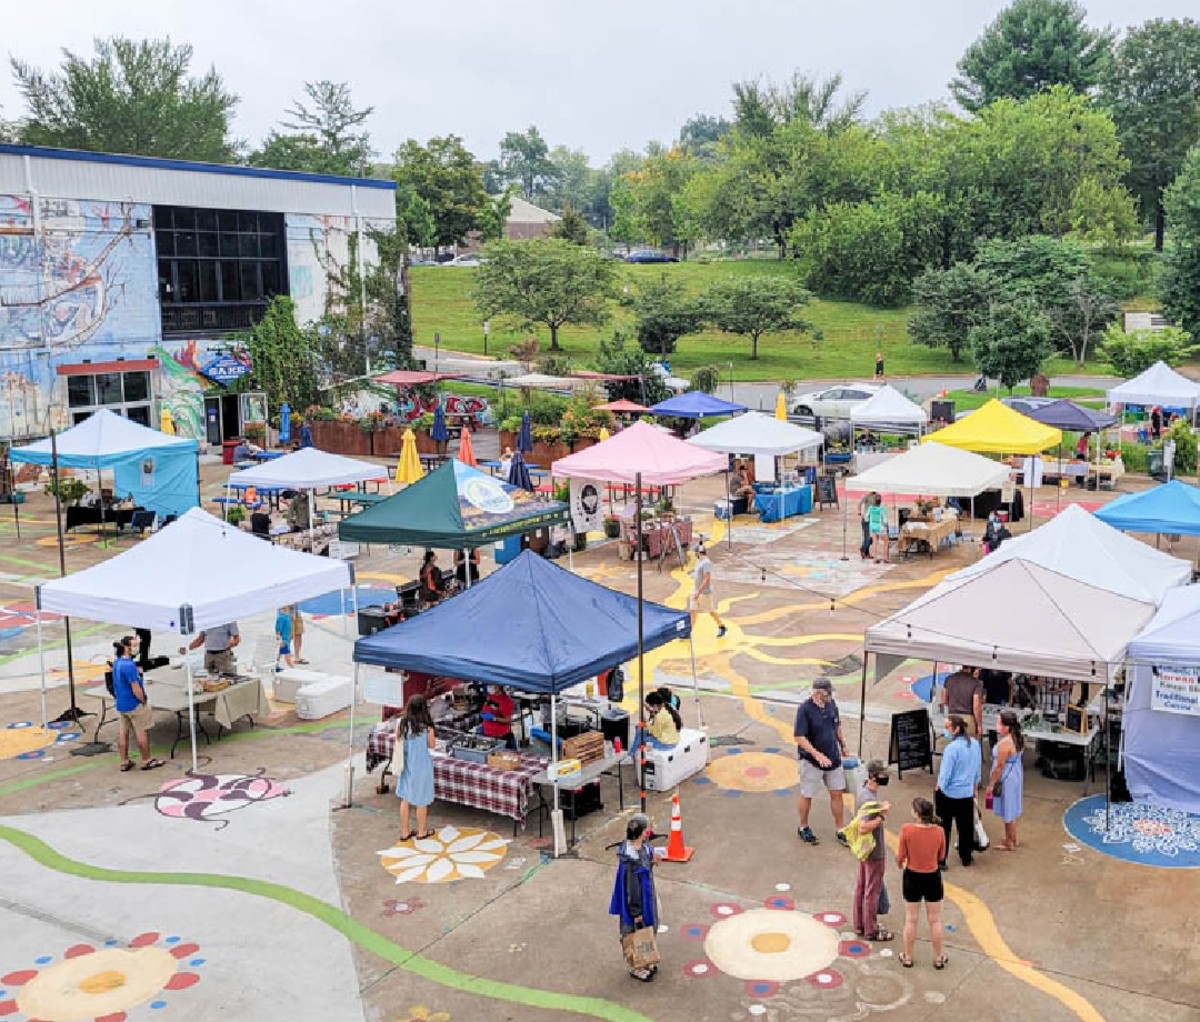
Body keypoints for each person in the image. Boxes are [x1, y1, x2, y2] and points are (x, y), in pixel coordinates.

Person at [794, 677, 849, 846]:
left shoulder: (832, 704)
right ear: (818, 693)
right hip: (811, 761)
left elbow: (837, 725)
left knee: (837, 793)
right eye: (827, 692)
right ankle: (803, 826)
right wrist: (816, 754)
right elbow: (799, 736)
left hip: (833, 758)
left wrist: (843, 745)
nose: (830, 695)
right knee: (807, 794)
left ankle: (840, 829)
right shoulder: (805, 709)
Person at [609, 812, 662, 982]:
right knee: (634, 934)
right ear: (642, 832)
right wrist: (636, 912)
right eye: (647, 828)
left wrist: (653, 861)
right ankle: (637, 966)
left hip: (647, 898)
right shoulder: (631, 860)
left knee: (647, 930)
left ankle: (646, 961)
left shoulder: (643, 848)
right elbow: (632, 889)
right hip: (638, 904)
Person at [896, 797, 948, 969]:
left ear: (917, 814)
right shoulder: (939, 831)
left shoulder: (906, 830)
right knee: (935, 920)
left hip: (912, 875)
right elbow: (941, 856)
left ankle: (908, 956)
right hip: (932, 876)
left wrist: (900, 863)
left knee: (911, 919)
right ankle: (939, 957)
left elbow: (900, 856)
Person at [852, 760, 893, 942]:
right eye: (883, 774)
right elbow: (863, 827)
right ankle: (871, 929)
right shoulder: (869, 799)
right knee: (872, 891)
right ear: (873, 775)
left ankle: (859, 924)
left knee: (862, 887)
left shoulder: (863, 792)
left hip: (864, 848)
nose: (886, 777)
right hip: (874, 850)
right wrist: (882, 816)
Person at [935, 714, 982, 869]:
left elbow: (945, 774)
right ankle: (966, 856)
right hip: (966, 793)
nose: (945, 730)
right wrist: (974, 786)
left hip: (949, 793)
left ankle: (941, 859)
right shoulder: (974, 744)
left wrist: (939, 787)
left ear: (955, 729)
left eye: (948, 727)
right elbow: (977, 768)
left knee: (944, 827)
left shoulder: (951, 749)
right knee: (965, 827)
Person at [112, 637, 163, 772]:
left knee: (123, 733)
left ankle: (124, 760)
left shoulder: (117, 663)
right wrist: (143, 700)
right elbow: (135, 688)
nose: (137, 648)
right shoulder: (128, 666)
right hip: (134, 703)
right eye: (134, 645)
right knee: (141, 731)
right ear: (127, 648)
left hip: (122, 703)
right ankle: (146, 759)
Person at [394, 694, 437, 841]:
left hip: (406, 765)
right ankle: (421, 831)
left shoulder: (402, 724)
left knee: (405, 799)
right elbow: (432, 745)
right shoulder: (427, 727)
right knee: (421, 801)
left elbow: (398, 740)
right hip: (422, 766)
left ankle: (405, 832)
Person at [987, 710, 1026, 851]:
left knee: (1007, 809)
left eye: (999, 723)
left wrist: (991, 784)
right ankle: (1012, 838)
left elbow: (999, 767)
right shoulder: (1019, 739)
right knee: (1012, 808)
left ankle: (1009, 841)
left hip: (1006, 778)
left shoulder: (1005, 743)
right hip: (1015, 774)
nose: (997, 725)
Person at [688, 543, 726, 638]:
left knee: (711, 611)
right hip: (696, 590)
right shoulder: (699, 562)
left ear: (699, 553)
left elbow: (706, 578)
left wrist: (699, 592)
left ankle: (721, 626)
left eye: (695, 553)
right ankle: (689, 631)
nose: (694, 554)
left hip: (704, 592)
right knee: (693, 610)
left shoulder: (706, 563)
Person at [629, 690, 681, 757]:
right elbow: (656, 725)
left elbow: (655, 734)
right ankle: (633, 752)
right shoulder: (667, 707)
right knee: (641, 731)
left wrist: (646, 722)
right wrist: (647, 724)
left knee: (641, 737)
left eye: (649, 706)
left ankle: (633, 754)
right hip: (672, 738)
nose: (648, 708)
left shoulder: (660, 716)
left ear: (655, 705)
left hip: (666, 744)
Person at [941, 665, 983, 739]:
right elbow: (976, 706)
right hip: (968, 718)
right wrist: (979, 725)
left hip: (952, 716)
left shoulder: (949, 679)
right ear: (971, 669)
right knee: (968, 745)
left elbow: (944, 700)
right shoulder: (976, 682)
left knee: (954, 743)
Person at [480, 684, 517, 750]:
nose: (491, 687)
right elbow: (485, 709)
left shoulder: (505, 701)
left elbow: (508, 720)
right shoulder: (490, 696)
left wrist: (494, 718)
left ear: (499, 686)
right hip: (487, 733)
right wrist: (483, 714)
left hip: (500, 736)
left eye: (493, 685)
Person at [868, 494, 889, 563]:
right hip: (881, 528)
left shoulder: (870, 508)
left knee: (875, 542)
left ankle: (875, 558)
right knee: (886, 541)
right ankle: (885, 558)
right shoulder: (882, 508)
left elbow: (866, 517)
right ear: (880, 501)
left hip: (873, 527)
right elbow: (885, 520)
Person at [858, 491, 878, 560]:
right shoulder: (867, 496)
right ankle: (863, 549)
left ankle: (866, 552)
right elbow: (860, 503)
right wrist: (859, 511)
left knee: (871, 538)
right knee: (868, 537)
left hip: (872, 520)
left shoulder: (877, 496)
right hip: (866, 520)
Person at [275, 606, 296, 670]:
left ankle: (276, 666)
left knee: (279, 654)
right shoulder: (281, 617)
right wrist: (280, 640)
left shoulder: (287, 616)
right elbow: (278, 630)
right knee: (287, 656)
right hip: (283, 640)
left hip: (286, 639)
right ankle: (293, 669)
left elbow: (289, 627)